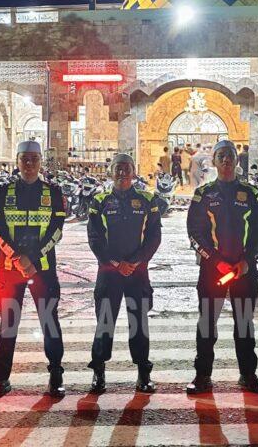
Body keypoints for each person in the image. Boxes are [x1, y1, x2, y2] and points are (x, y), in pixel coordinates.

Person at [186, 140, 258, 395]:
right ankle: (202, 376)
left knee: (244, 323)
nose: (225, 160)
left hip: (243, 271)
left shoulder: (252, 194)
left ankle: (248, 374)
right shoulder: (203, 194)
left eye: (230, 155)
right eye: (221, 156)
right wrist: (215, 260)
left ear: (236, 160)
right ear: (213, 161)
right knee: (207, 324)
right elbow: (194, 233)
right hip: (213, 271)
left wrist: (248, 260)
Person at [0, 140, 67, 400]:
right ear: (17, 161)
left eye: (34, 159)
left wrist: (32, 258)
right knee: (8, 325)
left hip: (42, 270)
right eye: (24, 159)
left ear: (41, 161)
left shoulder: (53, 192)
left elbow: (57, 230)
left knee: (49, 323)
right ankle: (1, 380)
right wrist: (17, 256)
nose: (29, 164)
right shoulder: (2, 192)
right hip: (11, 271)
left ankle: (56, 375)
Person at [87, 153, 163, 394]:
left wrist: (136, 261)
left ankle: (143, 372)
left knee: (139, 323)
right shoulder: (98, 200)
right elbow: (94, 238)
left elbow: (154, 237)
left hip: (138, 273)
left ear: (134, 171)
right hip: (109, 273)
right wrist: (116, 262)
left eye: (126, 168)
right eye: (117, 169)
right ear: (111, 172)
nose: (122, 173)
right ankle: (98, 371)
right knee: (105, 322)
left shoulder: (148, 199)